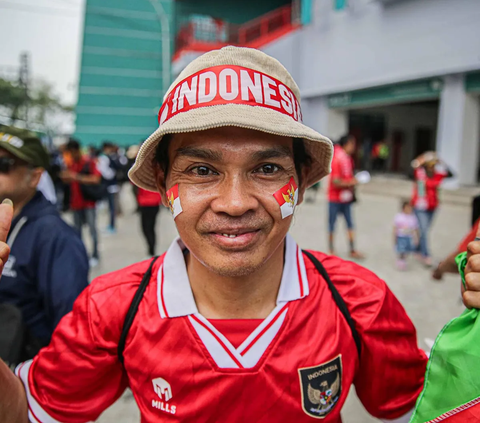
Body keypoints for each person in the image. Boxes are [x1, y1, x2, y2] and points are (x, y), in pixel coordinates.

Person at [3, 46, 480, 423]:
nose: (235, 203)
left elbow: (429, 410)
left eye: (268, 167)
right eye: (202, 169)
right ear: (165, 184)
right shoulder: (111, 308)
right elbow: (29, 413)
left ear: (302, 181)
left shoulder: (359, 301)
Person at [0, 133, 89, 361]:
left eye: (3, 164)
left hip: (24, 374)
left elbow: (71, 326)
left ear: (35, 177)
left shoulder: (56, 237)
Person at [61, 139, 102, 267]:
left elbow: (96, 179)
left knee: (92, 230)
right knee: (77, 231)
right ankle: (81, 254)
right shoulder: (70, 164)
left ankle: (95, 254)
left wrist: (76, 177)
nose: (71, 156)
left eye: (72, 153)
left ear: (77, 150)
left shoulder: (88, 162)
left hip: (88, 203)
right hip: (75, 204)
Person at [410, 152, 453, 267]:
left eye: (433, 165)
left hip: (432, 207)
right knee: (423, 231)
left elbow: (451, 174)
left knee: (424, 231)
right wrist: (424, 157)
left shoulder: (437, 175)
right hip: (420, 207)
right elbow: (414, 164)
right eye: (430, 164)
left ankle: (416, 250)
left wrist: (441, 161)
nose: (432, 167)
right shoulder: (420, 173)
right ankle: (426, 255)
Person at [328, 134, 364, 258]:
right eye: (352, 144)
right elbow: (335, 181)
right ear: (346, 144)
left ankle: (352, 249)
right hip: (335, 198)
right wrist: (352, 182)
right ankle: (331, 249)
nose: (354, 147)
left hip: (346, 198)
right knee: (332, 224)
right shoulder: (337, 158)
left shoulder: (348, 159)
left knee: (350, 224)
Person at [97, 141, 119, 234]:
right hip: (110, 186)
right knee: (110, 208)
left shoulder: (107, 158)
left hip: (111, 186)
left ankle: (112, 226)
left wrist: (112, 174)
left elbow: (105, 173)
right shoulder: (105, 158)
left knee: (112, 208)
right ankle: (111, 225)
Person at [393, 200, 419, 270]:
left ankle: (403, 260)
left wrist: (416, 238)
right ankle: (401, 261)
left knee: (407, 250)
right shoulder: (399, 217)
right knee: (401, 249)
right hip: (401, 236)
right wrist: (395, 237)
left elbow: (415, 228)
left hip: (409, 237)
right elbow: (395, 227)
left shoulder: (413, 218)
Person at [137, 187, 161, 257]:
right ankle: (152, 248)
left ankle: (151, 248)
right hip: (155, 203)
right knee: (151, 228)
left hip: (146, 204)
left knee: (146, 228)